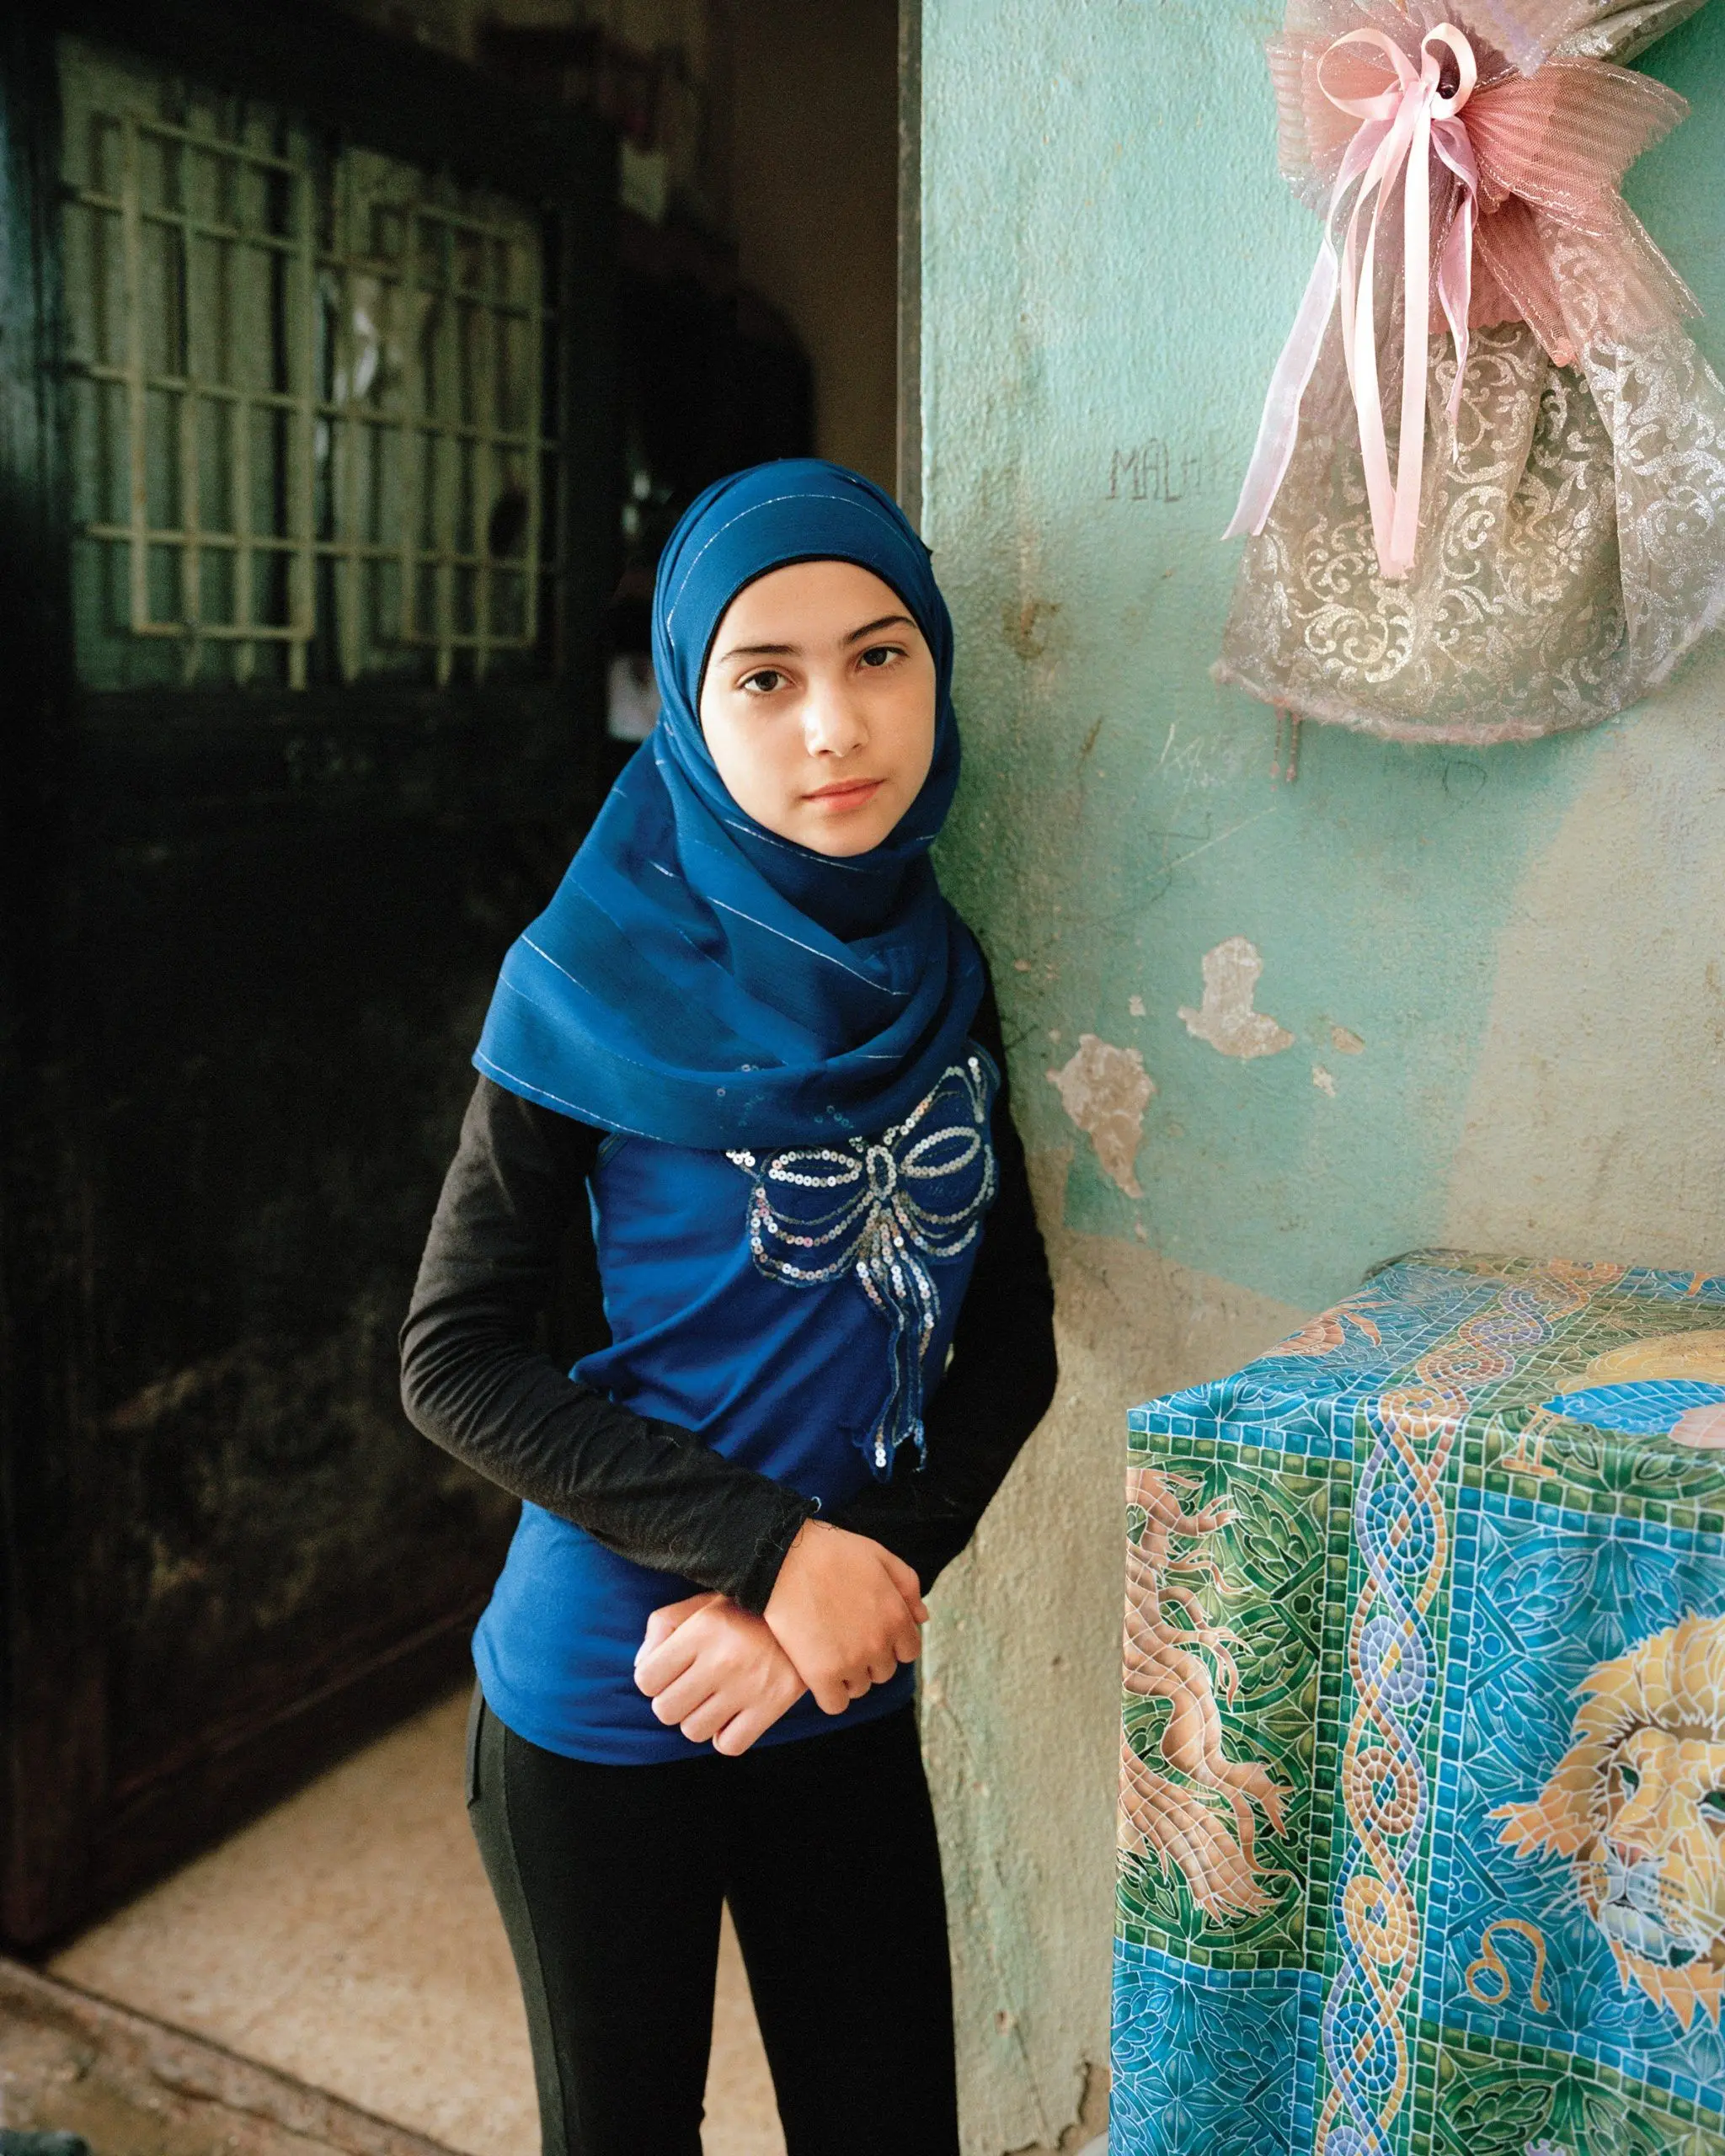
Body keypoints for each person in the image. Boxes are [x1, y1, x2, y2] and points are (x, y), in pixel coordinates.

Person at [398, 459, 1057, 2156]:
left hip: (834, 1664)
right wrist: (772, 1550)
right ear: (693, 709)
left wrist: (845, 1577)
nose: (832, 721)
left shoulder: (944, 978)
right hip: (614, 1688)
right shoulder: (587, 985)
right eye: (763, 674)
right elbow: (451, 1356)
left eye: (880, 652)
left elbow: (1014, 1342)